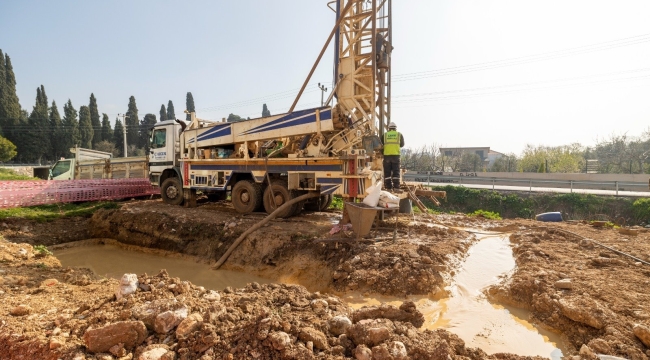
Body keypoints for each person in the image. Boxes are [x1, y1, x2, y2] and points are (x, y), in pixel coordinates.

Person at [381, 122, 404, 191]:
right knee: (396, 172)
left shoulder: (384, 135)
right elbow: (402, 144)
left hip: (387, 156)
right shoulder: (399, 135)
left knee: (387, 172)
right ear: (395, 128)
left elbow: (381, 145)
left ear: (389, 128)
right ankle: (396, 187)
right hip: (396, 156)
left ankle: (388, 188)